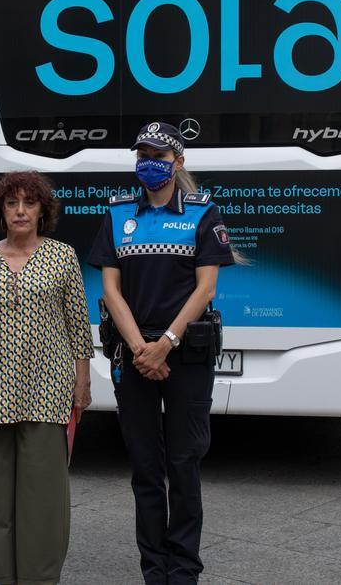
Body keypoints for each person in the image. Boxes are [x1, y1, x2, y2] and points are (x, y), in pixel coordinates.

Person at [88, 122, 235, 585]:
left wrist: (165, 343)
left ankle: (184, 570)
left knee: (184, 463)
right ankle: (154, 569)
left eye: (160, 154)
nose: (150, 162)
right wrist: (139, 348)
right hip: (135, 356)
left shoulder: (203, 212)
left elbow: (205, 286)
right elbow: (110, 290)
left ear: (179, 161)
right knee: (146, 469)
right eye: (143, 153)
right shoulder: (116, 215)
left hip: (185, 354)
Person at [0, 171, 92, 585]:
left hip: (47, 389)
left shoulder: (62, 256)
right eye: (11, 203)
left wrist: (81, 382)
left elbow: (78, 326)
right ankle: (0, 574)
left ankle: (39, 576)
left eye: (28, 203)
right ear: (0, 210)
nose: (19, 211)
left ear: (41, 211)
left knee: (43, 495)